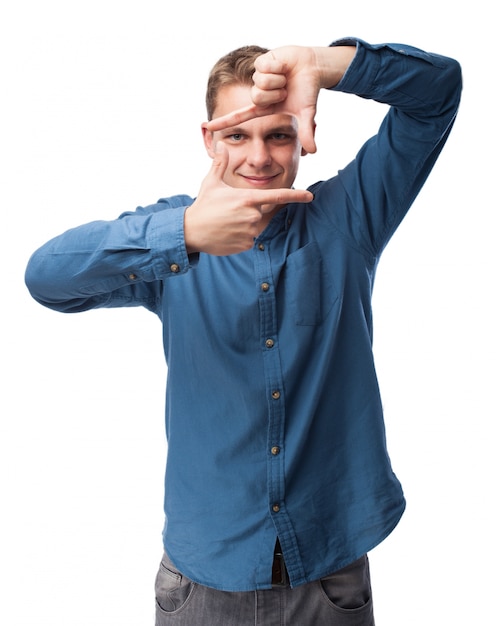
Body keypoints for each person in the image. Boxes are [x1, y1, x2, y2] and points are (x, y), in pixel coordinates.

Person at [25, 36, 462, 625]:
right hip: (203, 580)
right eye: (238, 134)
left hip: (329, 575)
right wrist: (180, 235)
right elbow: (46, 278)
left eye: (277, 134)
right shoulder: (170, 241)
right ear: (210, 140)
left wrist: (327, 65)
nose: (259, 157)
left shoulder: (347, 216)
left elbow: (437, 94)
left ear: (304, 133)